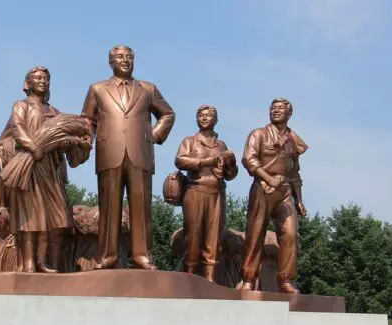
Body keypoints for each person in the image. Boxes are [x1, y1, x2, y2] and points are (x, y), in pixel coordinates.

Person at [81, 44, 176, 270]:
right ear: (111, 62)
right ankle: (107, 255)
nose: (125, 60)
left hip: (140, 153)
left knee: (141, 207)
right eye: (120, 57)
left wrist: (152, 136)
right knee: (109, 207)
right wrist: (86, 140)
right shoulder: (97, 89)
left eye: (129, 57)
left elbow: (168, 114)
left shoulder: (147, 89)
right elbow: (87, 120)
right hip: (109, 153)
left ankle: (142, 255)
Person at [3, 66, 73, 273]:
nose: (43, 81)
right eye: (38, 78)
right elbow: (17, 128)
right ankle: (28, 263)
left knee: (51, 218)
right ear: (28, 84)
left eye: (46, 78)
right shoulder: (21, 106)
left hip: (51, 171)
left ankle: (43, 261)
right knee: (31, 217)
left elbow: (62, 136)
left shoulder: (55, 113)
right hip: (28, 168)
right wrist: (34, 148)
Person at [239, 97, 308, 294]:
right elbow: (249, 160)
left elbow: (295, 173)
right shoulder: (258, 134)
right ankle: (249, 279)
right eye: (273, 108)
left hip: (285, 192)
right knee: (255, 235)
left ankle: (286, 280)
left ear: (289, 114)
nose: (276, 111)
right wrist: (268, 178)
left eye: (280, 108)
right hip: (262, 189)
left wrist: (300, 200)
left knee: (291, 234)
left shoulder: (293, 140)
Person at [174, 105, 238, 282]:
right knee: (193, 236)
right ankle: (190, 276)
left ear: (215, 120)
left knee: (213, 238)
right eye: (200, 115)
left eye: (208, 115)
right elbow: (180, 160)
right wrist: (206, 161)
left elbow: (230, 175)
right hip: (195, 190)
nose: (204, 118)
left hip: (217, 193)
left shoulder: (222, 145)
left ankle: (210, 278)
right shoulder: (190, 141)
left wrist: (231, 165)